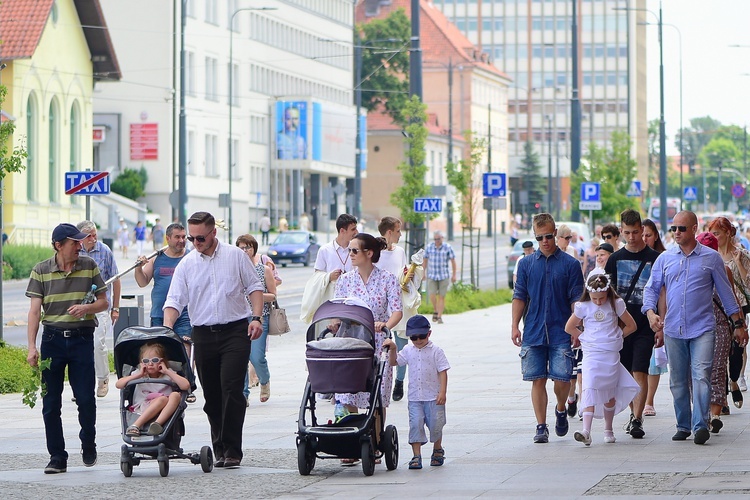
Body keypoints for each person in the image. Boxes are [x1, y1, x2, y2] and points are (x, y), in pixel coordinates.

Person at [163, 211, 264, 468]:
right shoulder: (187, 264)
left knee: (232, 389)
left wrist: (256, 318)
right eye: (192, 238)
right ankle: (219, 447)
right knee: (213, 395)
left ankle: (232, 450)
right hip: (203, 334)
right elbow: (175, 300)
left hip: (235, 331)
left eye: (200, 238)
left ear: (213, 233)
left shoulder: (235, 256)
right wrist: (166, 328)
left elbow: (254, 287)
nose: (195, 243)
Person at [642, 211, 749, 445]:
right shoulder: (665, 259)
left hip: (703, 328)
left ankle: (701, 425)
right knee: (678, 380)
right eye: (673, 229)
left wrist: (738, 324)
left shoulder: (711, 259)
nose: (677, 233)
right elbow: (651, 289)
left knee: (702, 376)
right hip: (673, 329)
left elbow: (726, 294)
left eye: (681, 228)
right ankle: (683, 424)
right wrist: (651, 314)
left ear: (694, 229)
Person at [26, 223, 108, 474]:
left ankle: (88, 442)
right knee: (50, 402)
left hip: (82, 339)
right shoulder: (41, 270)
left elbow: (103, 302)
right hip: (52, 340)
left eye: (81, 242)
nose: (80, 246)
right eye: (75, 242)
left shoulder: (89, 267)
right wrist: (32, 346)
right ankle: (57, 456)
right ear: (58, 245)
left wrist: (86, 308)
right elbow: (34, 311)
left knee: (85, 398)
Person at [512, 213, 584, 444]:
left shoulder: (570, 264)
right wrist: (514, 325)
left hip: (561, 330)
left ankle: (561, 408)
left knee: (563, 379)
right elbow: (519, 296)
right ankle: (541, 426)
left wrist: (577, 328)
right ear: (535, 237)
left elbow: (576, 299)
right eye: (540, 237)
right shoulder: (525, 264)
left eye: (549, 236)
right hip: (533, 329)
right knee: (538, 379)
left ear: (555, 234)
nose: (545, 241)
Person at [602, 209, 659, 439]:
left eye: (636, 232)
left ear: (642, 230)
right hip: (622, 327)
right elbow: (606, 294)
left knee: (640, 370)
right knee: (624, 372)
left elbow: (660, 292)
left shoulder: (655, 258)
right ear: (621, 231)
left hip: (645, 324)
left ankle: (637, 419)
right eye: (627, 232)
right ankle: (631, 414)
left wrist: (659, 323)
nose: (632, 237)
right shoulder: (615, 259)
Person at [564, 272, 639, 446]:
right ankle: (586, 430)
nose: (598, 302)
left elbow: (631, 325)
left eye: (602, 298)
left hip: (610, 352)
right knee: (589, 387)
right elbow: (569, 326)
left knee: (609, 392)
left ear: (608, 293)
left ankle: (608, 429)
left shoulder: (616, 304)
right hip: (591, 352)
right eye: (595, 298)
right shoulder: (583, 306)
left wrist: (617, 336)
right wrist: (583, 337)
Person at [334, 233, 402, 414]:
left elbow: (397, 311)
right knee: (348, 390)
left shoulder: (388, 279)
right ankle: (353, 430)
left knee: (378, 393)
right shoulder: (345, 280)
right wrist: (335, 322)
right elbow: (337, 309)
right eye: (350, 250)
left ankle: (377, 437)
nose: (351, 254)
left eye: (355, 250)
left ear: (369, 253)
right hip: (352, 340)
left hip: (378, 339)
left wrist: (385, 324)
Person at [133, 223, 195, 403]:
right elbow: (142, 282)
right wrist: (138, 267)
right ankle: (163, 386)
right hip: (159, 314)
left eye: (184, 237)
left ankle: (187, 385)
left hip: (184, 313)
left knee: (185, 350)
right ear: (168, 238)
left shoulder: (190, 258)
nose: (182, 241)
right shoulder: (157, 258)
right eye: (177, 237)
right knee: (160, 351)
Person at [383, 315, 449, 469]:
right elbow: (394, 362)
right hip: (415, 398)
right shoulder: (407, 349)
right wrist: (393, 348)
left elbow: (443, 372)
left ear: (429, 334)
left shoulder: (436, 351)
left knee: (436, 425)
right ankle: (416, 455)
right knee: (415, 424)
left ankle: (437, 449)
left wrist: (443, 392)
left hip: (434, 397)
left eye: (422, 336)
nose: (418, 340)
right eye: (414, 337)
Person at [375, 216, 424, 402]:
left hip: (399, 303)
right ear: (389, 232)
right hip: (382, 305)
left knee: (402, 345)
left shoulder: (400, 251)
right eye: (397, 231)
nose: (400, 234)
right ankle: (380, 379)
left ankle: (399, 381)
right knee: (382, 345)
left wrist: (407, 274)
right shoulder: (375, 252)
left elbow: (403, 271)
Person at [708, 216, 750, 408]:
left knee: (735, 351)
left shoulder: (741, 253)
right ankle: (721, 396)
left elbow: (748, 284)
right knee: (718, 353)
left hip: (738, 308)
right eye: (712, 234)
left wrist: (739, 263)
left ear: (727, 232)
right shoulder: (711, 255)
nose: (714, 237)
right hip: (717, 309)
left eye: (717, 233)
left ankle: (734, 380)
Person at [695, 232, 735, 433]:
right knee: (700, 372)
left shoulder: (724, 270)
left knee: (718, 369)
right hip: (698, 326)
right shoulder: (692, 269)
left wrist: (739, 326)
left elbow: (731, 298)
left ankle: (716, 414)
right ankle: (703, 414)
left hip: (720, 325)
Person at [77, 220, 121, 398]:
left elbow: (116, 279)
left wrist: (115, 308)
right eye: (90, 236)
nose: (94, 238)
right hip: (79, 306)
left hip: (100, 305)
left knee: (97, 344)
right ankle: (82, 384)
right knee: (80, 347)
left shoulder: (104, 251)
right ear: (81, 237)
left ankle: (102, 380)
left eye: (95, 234)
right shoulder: (74, 250)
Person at [117, 341, 191, 437]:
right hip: (143, 407)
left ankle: (157, 425)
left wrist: (167, 371)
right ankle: (135, 425)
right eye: (146, 361)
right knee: (162, 399)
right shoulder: (139, 375)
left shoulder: (168, 374)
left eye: (155, 360)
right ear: (141, 362)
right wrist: (138, 375)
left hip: (166, 409)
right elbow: (119, 384)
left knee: (176, 395)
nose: (150, 364)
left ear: (162, 361)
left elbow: (186, 386)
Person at [236, 234, 277, 405]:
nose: (245, 251)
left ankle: (264, 380)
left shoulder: (263, 270)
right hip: (239, 318)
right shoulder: (234, 269)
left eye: (248, 247)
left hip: (260, 317)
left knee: (256, 356)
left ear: (254, 249)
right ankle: (243, 394)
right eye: (241, 247)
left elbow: (273, 295)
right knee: (240, 358)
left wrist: (255, 295)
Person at [300, 213, 358, 323]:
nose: (356, 232)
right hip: (331, 298)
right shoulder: (325, 250)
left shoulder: (356, 248)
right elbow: (316, 276)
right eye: (353, 229)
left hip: (352, 296)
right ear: (342, 231)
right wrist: (329, 276)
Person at [641, 218, 667, 417]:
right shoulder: (628, 256)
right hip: (636, 314)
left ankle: (649, 400)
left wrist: (661, 318)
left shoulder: (662, 258)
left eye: (647, 235)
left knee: (653, 360)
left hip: (657, 314)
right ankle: (639, 400)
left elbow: (663, 292)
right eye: (641, 234)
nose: (643, 238)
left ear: (655, 236)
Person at [423, 230, 456, 324]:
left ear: (442, 238)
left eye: (438, 239)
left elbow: (453, 261)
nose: (437, 241)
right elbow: (425, 260)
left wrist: (454, 275)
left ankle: (439, 316)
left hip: (444, 275)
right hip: (432, 275)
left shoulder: (447, 247)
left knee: (442, 296)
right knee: (432, 294)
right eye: (435, 239)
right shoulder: (429, 247)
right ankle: (435, 309)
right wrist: (423, 273)